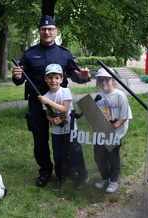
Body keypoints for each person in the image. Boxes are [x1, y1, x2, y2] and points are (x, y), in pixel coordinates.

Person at [12, 15, 90, 187]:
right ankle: (45, 172)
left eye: (50, 29)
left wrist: (83, 77)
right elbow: (19, 79)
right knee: (40, 140)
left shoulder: (64, 53)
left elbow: (77, 77)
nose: (47, 32)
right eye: (43, 29)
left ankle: (68, 170)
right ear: (39, 31)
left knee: (65, 139)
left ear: (56, 31)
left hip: (60, 102)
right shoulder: (30, 54)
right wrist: (16, 76)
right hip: (37, 101)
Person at [37, 64, 88, 191]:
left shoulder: (65, 91)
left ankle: (82, 176)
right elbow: (47, 115)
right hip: (56, 132)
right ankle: (61, 178)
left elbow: (65, 109)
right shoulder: (46, 96)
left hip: (70, 131)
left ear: (61, 79)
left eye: (56, 77)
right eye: (50, 77)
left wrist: (47, 101)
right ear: (45, 79)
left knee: (75, 154)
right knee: (58, 156)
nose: (53, 80)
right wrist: (53, 121)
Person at [93, 67, 132, 193]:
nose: (103, 82)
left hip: (116, 133)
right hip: (100, 133)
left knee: (113, 157)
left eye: (107, 79)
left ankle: (113, 181)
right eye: (100, 79)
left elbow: (125, 115)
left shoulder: (120, 96)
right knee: (99, 157)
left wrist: (116, 125)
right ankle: (104, 177)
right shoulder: (98, 96)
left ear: (113, 80)